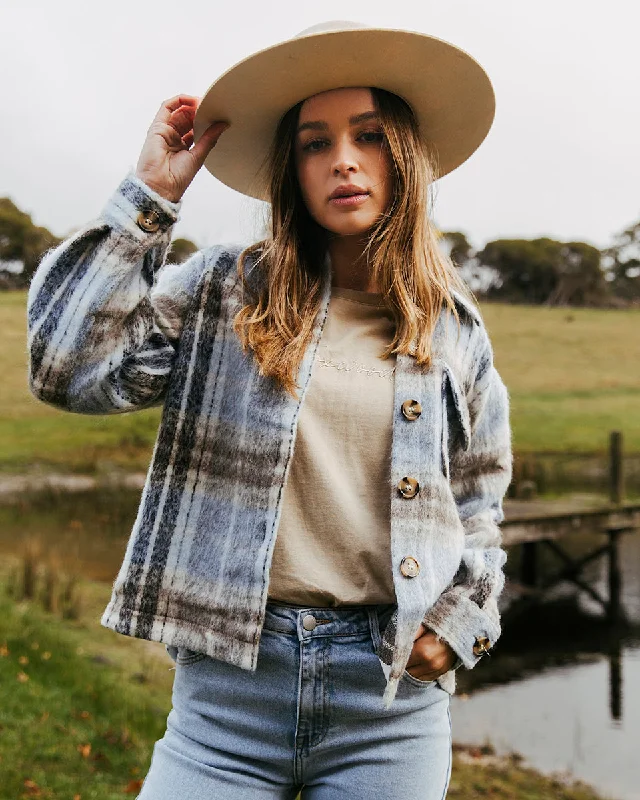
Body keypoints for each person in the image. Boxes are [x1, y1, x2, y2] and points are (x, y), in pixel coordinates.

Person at [27, 20, 513, 800]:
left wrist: (460, 628)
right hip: (226, 700)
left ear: (408, 159)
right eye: (315, 143)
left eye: (370, 136)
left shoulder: (453, 329)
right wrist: (149, 197)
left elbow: (480, 508)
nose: (343, 160)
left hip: (386, 707)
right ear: (293, 169)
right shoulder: (225, 290)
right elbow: (69, 370)